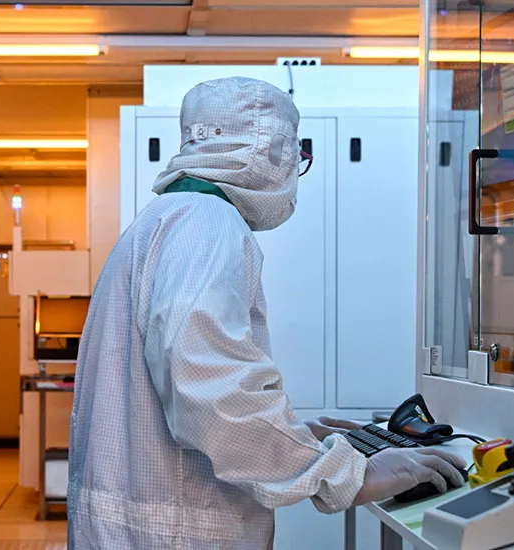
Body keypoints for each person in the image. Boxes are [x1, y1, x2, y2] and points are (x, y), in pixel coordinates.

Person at [67, 77, 467, 549]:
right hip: (175, 534)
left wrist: (294, 435)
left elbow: (190, 379)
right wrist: (344, 473)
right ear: (271, 151)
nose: (294, 171)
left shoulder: (161, 219)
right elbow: (210, 389)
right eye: (296, 158)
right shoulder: (206, 222)